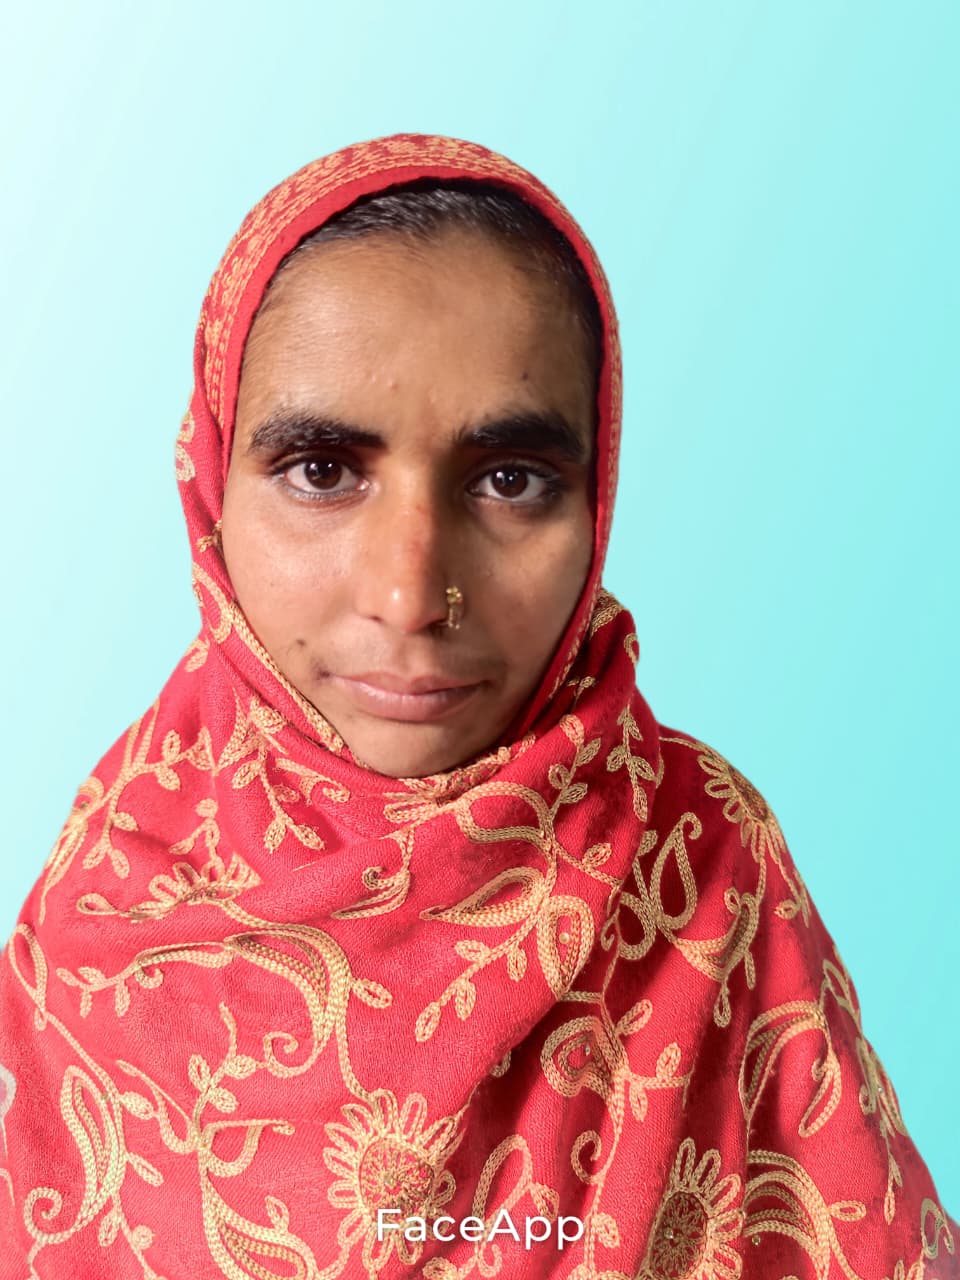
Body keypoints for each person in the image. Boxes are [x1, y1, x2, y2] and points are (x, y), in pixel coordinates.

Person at [0, 134, 954, 1280]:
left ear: (597, 496)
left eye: (510, 480)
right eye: (321, 470)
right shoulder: (115, 888)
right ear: (211, 479)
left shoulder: (702, 858)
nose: (411, 595)